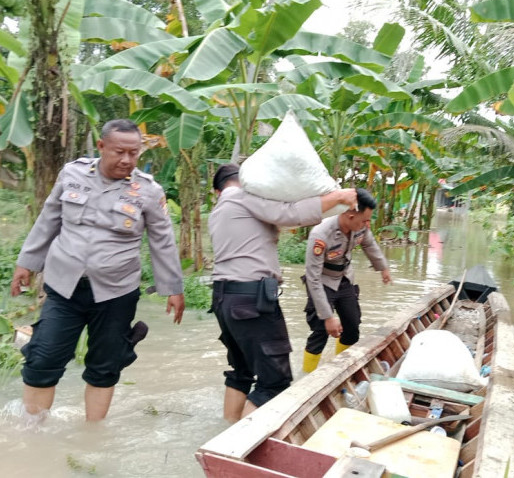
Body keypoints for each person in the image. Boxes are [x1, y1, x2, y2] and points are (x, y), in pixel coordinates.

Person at [10, 119, 185, 422]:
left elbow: (163, 242)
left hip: (116, 293)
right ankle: (33, 433)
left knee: (105, 366)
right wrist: (26, 263)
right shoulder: (72, 174)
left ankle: (91, 436)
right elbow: (49, 219)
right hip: (64, 288)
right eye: (120, 152)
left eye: (134, 153)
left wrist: (173, 288)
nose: (127, 160)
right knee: (42, 359)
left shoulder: (148, 190)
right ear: (102, 147)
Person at [209, 163, 357, 423]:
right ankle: (237, 446)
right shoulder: (243, 196)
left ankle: (227, 429)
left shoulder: (219, 209)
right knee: (274, 382)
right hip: (252, 300)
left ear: (216, 191)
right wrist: (338, 197)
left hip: (225, 298)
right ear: (246, 181)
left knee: (241, 370)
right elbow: (290, 214)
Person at [301, 188, 391, 373]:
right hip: (322, 281)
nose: (367, 224)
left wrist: (383, 267)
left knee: (352, 326)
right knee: (320, 331)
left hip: (344, 277)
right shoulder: (321, 234)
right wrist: (327, 317)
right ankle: (306, 377)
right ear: (350, 215)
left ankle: (338, 369)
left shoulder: (360, 227)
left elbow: (370, 244)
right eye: (364, 220)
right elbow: (313, 278)